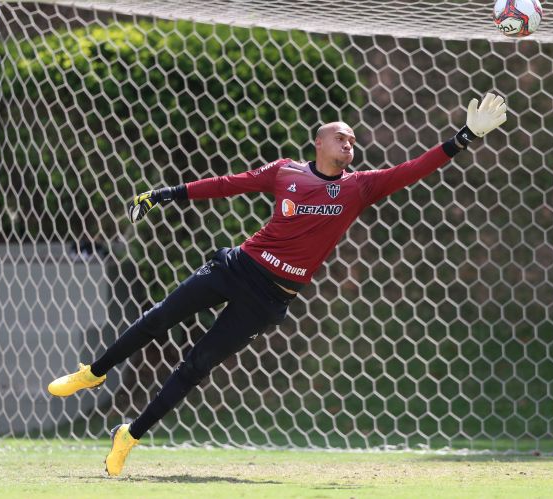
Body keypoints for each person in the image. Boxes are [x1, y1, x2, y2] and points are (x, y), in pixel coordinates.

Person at [48, 93, 507, 476]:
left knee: (195, 367)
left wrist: (465, 137)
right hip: (236, 267)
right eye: (341, 136)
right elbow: (229, 184)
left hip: (270, 299)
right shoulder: (285, 171)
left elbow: (412, 169)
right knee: (158, 319)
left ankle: (129, 436)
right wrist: (166, 194)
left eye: (354, 139)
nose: (350, 142)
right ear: (319, 142)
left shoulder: (359, 187)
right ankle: (93, 373)